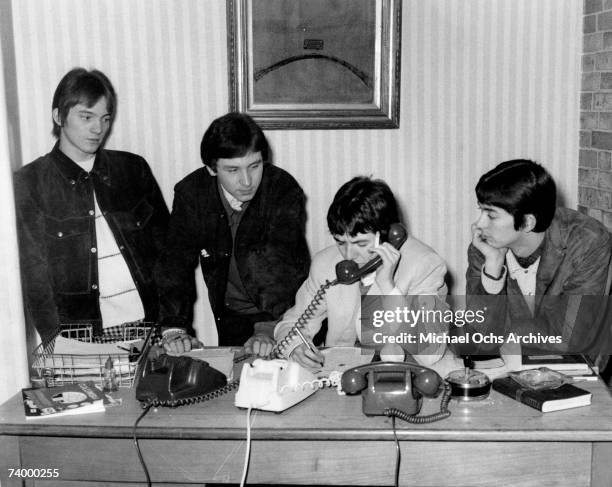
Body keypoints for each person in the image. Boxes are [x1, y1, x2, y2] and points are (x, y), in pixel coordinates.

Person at [14, 68, 171, 346]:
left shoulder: (132, 170)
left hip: (150, 328)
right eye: (86, 117)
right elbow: (34, 279)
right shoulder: (31, 183)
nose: (98, 129)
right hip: (82, 340)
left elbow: (169, 255)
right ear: (58, 116)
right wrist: (57, 344)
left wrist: (174, 324)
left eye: (105, 118)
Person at [246, 176, 449, 369]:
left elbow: (430, 352)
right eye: (341, 242)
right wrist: (295, 348)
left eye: (361, 243)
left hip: (398, 376)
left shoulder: (425, 265)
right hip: (338, 376)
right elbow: (292, 322)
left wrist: (388, 287)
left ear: (388, 235)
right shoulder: (325, 263)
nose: (349, 255)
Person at [155, 112, 310, 350]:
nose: (247, 181)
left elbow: (283, 270)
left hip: (283, 315)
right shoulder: (192, 193)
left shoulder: (282, 189)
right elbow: (175, 265)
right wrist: (174, 328)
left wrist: (267, 329)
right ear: (212, 168)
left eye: (254, 166)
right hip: (230, 313)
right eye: (233, 170)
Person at [465, 159, 612, 358]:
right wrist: (493, 270)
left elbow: (568, 339)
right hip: (510, 363)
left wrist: (501, 332)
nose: (478, 224)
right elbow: (478, 335)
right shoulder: (485, 247)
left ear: (526, 222)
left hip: (576, 365)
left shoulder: (587, 241)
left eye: (491, 215)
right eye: (481, 211)